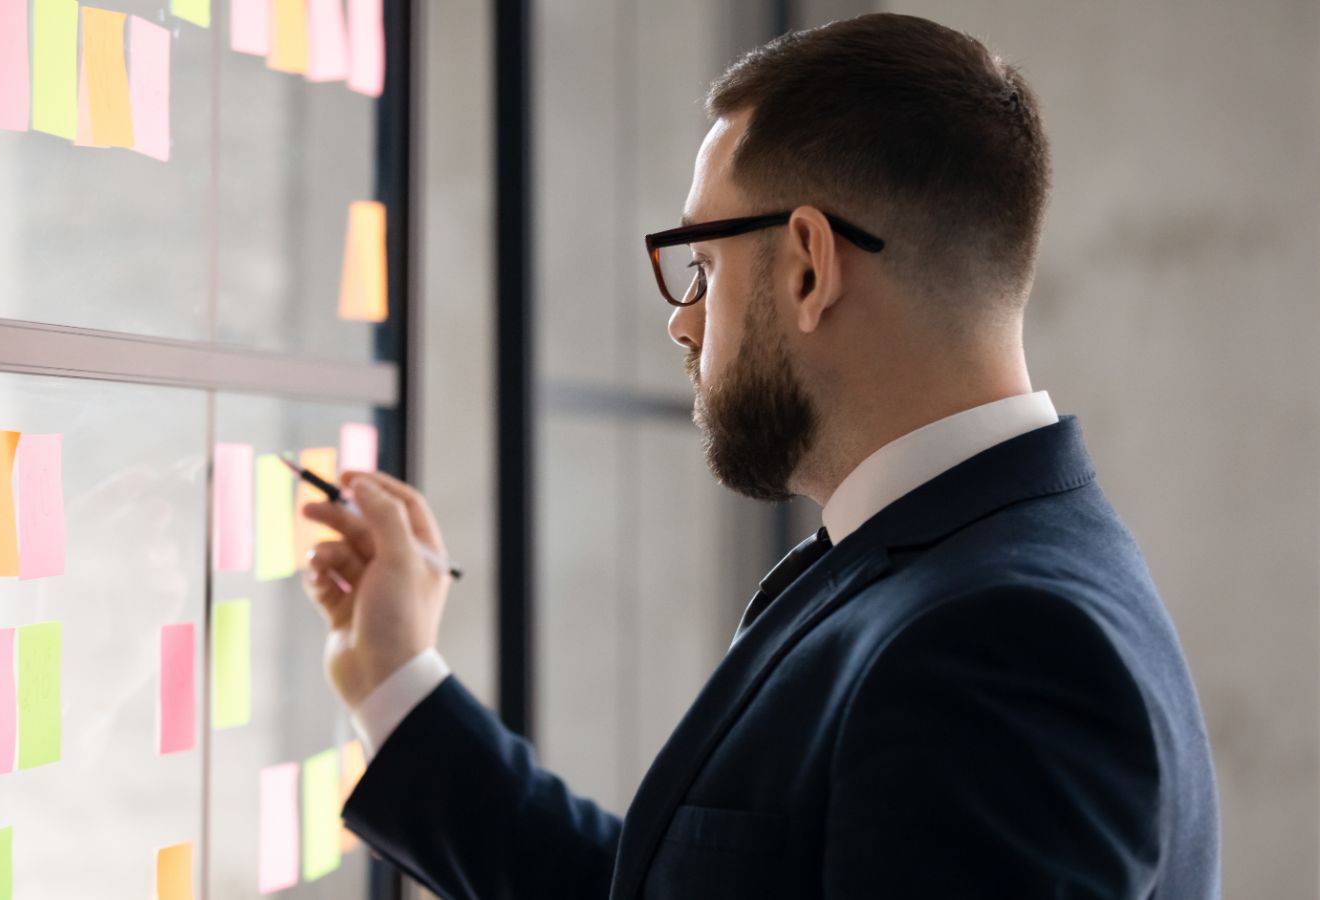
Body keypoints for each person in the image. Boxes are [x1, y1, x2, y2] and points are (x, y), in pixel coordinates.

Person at [299, 12, 1221, 899]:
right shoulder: (966, 578)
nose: (683, 323)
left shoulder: (998, 649)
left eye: (702, 266)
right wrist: (396, 683)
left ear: (809, 266)